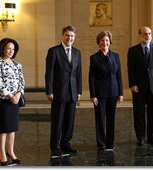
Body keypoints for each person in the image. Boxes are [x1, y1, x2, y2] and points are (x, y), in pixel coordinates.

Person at [45, 25, 82, 158]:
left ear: (74, 37)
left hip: (72, 92)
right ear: (62, 36)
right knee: (57, 120)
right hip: (58, 92)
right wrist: (49, 91)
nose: (69, 38)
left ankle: (66, 143)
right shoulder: (53, 51)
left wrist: (79, 91)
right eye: (67, 35)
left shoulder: (77, 52)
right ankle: (55, 146)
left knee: (69, 120)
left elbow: (78, 73)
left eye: (72, 36)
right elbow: (49, 73)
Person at [127, 26, 153, 146]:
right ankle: (140, 137)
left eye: (149, 33)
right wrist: (132, 84)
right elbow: (130, 69)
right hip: (138, 87)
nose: (147, 36)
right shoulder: (132, 50)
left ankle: (152, 136)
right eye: (144, 34)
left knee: (152, 112)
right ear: (140, 36)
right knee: (139, 112)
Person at [0, 38, 25, 166]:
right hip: (3, 100)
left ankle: (11, 151)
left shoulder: (17, 64)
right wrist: (11, 96)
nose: (11, 51)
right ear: (3, 49)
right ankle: (2, 153)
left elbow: (22, 82)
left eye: (13, 49)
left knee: (12, 128)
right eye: (8, 49)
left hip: (15, 100)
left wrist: (18, 95)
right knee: (3, 128)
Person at [89, 31, 123, 152]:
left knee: (111, 119)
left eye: (107, 40)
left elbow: (119, 75)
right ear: (99, 43)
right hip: (100, 94)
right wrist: (93, 95)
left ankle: (110, 143)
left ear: (110, 42)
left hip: (113, 93)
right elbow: (91, 77)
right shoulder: (94, 58)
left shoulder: (116, 56)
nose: (105, 42)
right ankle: (101, 143)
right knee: (100, 119)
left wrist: (121, 93)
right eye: (102, 40)